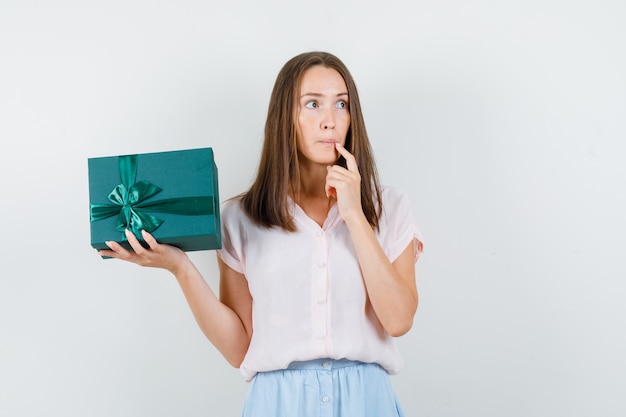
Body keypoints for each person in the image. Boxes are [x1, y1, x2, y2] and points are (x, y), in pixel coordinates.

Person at [100, 51, 423, 417]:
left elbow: (399, 320)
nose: (330, 121)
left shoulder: (390, 207)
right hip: (277, 402)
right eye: (313, 104)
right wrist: (181, 268)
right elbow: (241, 348)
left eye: (342, 105)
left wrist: (355, 215)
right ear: (286, 117)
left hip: (367, 401)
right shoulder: (241, 217)